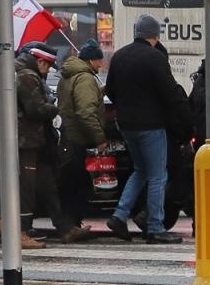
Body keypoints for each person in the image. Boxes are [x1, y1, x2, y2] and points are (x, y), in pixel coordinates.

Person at [105, 14, 191, 244]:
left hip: (126, 125)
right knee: (158, 176)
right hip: (151, 125)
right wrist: (184, 117)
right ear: (155, 36)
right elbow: (169, 92)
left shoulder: (120, 56)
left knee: (140, 170)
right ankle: (155, 227)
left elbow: (110, 90)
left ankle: (119, 215)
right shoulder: (154, 58)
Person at [56, 41, 107, 238]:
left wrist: (100, 92)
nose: (101, 64)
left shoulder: (68, 76)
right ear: (91, 60)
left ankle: (70, 224)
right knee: (77, 184)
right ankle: (72, 226)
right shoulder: (85, 78)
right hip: (77, 138)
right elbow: (86, 112)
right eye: (99, 60)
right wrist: (99, 138)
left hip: (66, 137)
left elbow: (73, 100)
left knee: (69, 182)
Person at [13, 43, 59, 249]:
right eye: (48, 65)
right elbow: (35, 109)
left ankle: (4, 227)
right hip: (25, 138)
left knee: (33, 184)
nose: (48, 70)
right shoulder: (27, 76)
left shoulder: (20, 72)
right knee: (25, 188)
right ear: (39, 61)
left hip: (23, 138)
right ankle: (20, 233)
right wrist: (55, 108)